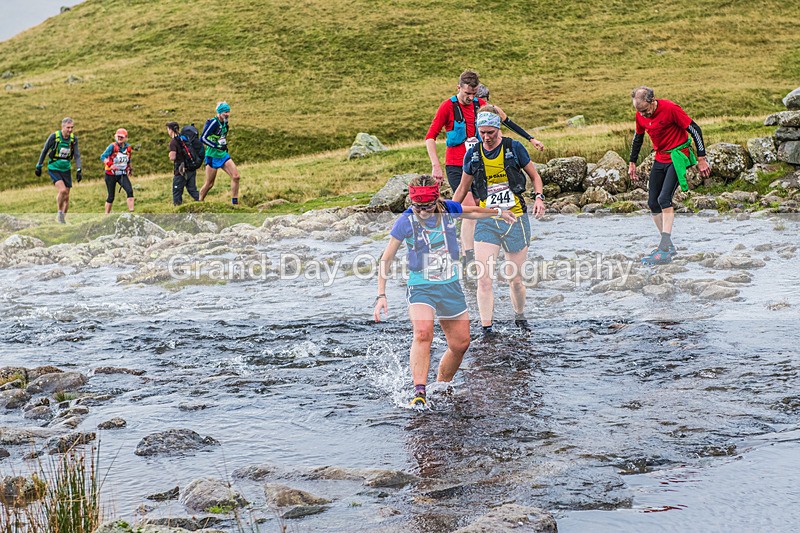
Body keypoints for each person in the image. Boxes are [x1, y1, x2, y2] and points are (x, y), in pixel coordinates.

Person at [373, 175, 517, 408]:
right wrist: (381, 294)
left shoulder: (449, 209)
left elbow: (473, 211)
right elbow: (386, 258)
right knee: (423, 333)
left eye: (428, 206)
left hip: (450, 286)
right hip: (421, 286)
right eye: (418, 207)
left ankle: (441, 385)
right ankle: (419, 393)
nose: (423, 212)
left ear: (437, 199)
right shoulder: (405, 221)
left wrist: (499, 213)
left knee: (461, 344)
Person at [425, 71, 544, 265]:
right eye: (467, 94)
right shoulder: (447, 107)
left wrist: (531, 139)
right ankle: (469, 255)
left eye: (474, 94)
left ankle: (485, 244)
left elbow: (507, 122)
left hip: (480, 165)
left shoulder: (481, 105)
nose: (471, 98)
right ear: (458, 88)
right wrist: (435, 165)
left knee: (481, 206)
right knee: (469, 207)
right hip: (456, 165)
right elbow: (430, 137)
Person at [453, 107, 546, 336]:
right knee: (484, 279)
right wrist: (447, 211)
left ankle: (520, 316)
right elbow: (463, 188)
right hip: (488, 220)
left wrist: (539, 198)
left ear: (498, 130)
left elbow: (535, 177)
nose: (486, 137)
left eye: (491, 132)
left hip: (516, 219)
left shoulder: (514, 148)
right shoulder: (473, 155)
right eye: (482, 132)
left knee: (515, 279)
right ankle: (487, 329)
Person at [628, 86, 711, 265]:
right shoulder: (640, 115)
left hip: (677, 156)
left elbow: (695, 129)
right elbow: (638, 138)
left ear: (652, 100)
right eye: (639, 111)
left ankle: (664, 248)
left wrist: (701, 158)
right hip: (660, 157)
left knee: (664, 199)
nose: (643, 115)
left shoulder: (670, 109)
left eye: (645, 110)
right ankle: (668, 245)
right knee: (653, 203)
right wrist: (632, 162)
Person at [35, 117, 82, 224]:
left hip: (66, 169)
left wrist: (79, 169)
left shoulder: (73, 139)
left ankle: (62, 221)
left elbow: (76, 154)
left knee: (67, 197)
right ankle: (59, 212)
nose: (70, 130)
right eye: (68, 127)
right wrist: (39, 166)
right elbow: (45, 150)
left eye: (72, 127)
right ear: (63, 127)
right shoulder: (54, 137)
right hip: (54, 168)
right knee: (62, 190)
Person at [199, 101, 241, 205]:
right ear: (219, 112)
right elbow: (203, 138)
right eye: (225, 112)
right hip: (212, 155)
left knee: (236, 176)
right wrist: (216, 146)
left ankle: (235, 203)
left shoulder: (225, 123)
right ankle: (199, 202)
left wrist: (223, 146)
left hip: (223, 154)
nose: (227, 114)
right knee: (209, 184)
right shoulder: (213, 122)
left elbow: (222, 136)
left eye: (228, 111)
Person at [100, 128, 135, 213]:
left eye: (121, 137)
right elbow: (103, 157)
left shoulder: (128, 148)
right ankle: (106, 215)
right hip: (110, 175)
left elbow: (128, 159)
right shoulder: (112, 146)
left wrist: (129, 168)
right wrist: (110, 165)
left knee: (130, 191)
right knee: (111, 196)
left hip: (122, 174)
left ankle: (132, 212)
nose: (119, 138)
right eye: (118, 136)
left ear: (126, 138)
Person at [166, 122, 200, 206]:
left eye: (168, 129)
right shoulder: (184, 138)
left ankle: (178, 209)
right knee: (192, 190)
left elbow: (172, 157)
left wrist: (170, 154)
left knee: (177, 191)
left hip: (180, 170)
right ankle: (201, 202)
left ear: (171, 130)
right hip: (191, 167)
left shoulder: (173, 142)